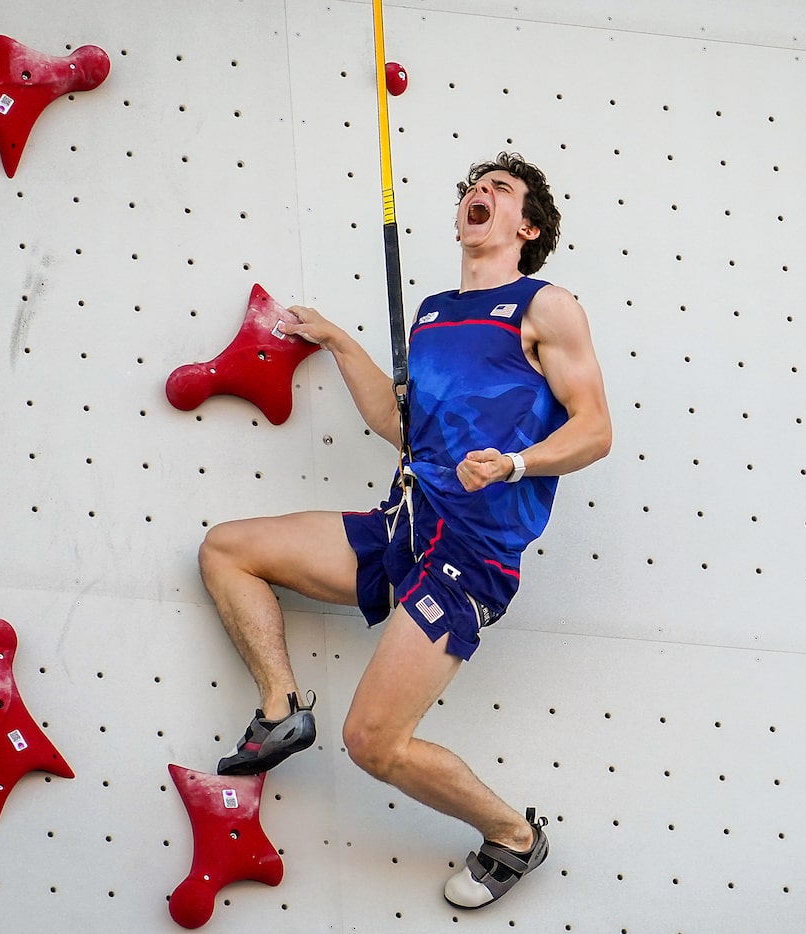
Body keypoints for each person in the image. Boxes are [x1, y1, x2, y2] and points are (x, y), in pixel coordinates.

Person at [197, 152, 612, 908]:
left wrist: (516, 463)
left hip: (467, 555)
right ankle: (281, 708)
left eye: (500, 190)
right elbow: (401, 427)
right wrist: (341, 343)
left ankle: (514, 837)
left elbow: (594, 431)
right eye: (471, 190)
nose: (478, 195)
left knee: (372, 743)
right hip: (404, 526)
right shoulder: (429, 311)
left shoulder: (544, 306)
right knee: (227, 550)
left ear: (528, 225)